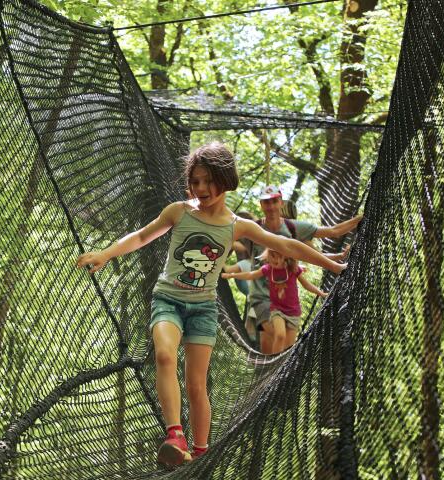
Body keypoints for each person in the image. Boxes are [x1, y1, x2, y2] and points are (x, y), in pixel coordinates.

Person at [75, 142, 345, 466]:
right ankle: (175, 434)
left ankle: (200, 454)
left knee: (196, 384)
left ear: (225, 179)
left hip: (203, 310)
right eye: (195, 181)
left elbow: (288, 244)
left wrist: (335, 266)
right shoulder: (179, 212)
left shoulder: (237, 226)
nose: (200, 188)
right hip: (168, 299)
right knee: (163, 355)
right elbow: (140, 236)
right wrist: (104, 253)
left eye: (207, 181)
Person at [242, 185, 361, 354]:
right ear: (261, 205)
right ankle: (269, 375)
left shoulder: (293, 228)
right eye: (266, 202)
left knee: (277, 353)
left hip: (286, 300)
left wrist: (359, 219)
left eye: (274, 201)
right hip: (261, 297)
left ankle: (270, 377)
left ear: (280, 202)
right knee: (278, 337)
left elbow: (332, 233)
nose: (271, 207)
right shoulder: (253, 228)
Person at [222, 249, 327, 354]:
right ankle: (275, 365)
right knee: (280, 335)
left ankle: (282, 366)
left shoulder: (292, 270)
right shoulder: (268, 269)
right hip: (277, 310)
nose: (276, 260)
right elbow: (250, 275)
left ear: (285, 257)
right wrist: (232, 275)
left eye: (279, 257)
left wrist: (321, 293)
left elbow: (306, 284)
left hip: (293, 312)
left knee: (288, 350)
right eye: (273, 256)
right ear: (267, 256)